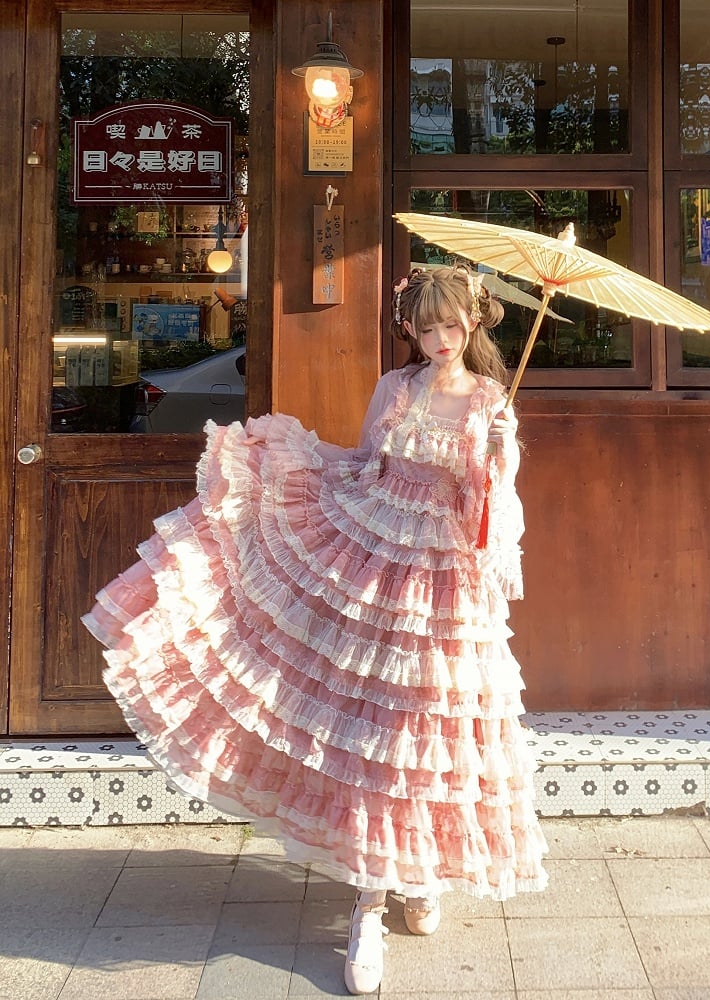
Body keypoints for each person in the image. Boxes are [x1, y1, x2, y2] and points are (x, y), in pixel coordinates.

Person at [82, 265, 548, 996]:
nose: (439, 340)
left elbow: (490, 513)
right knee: (366, 733)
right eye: (426, 327)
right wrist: (281, 462)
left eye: (451, 325)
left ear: (473, 323)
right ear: (411, 328)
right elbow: (364, 464)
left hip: (441, 582)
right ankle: (369, 902)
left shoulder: (492, 400)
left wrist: (501, 453)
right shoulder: (396, 388)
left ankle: (417, 873)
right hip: (370, 559)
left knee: (424, 731)